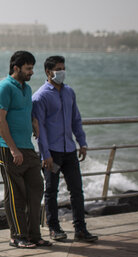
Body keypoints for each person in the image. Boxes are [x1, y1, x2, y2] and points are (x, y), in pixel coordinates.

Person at [32, 56, 98, 242]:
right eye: (58, 69)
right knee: (51, 191)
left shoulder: (69, 92)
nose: (62, 72)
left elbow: (76, 119)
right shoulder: (40, 97)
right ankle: (54, 228)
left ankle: (81, 229)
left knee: (77, 190)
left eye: (63, 68)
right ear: (48, 72)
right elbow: (40, 129)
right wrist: (45, 154)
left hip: (69, 151)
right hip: (51, 153)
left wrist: (82, 142)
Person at [0, 51, 51, 249]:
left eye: (32, 68)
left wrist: (34, 122)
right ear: (16, 68)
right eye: (28, 68)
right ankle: (17, 236)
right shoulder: (3, 88)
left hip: (27, 147)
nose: (32, 72)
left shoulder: (26, 89)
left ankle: (34, 234)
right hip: (8, 149)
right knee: (15, 193)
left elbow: (26, 112)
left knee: (36, 188)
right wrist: (13, 149)